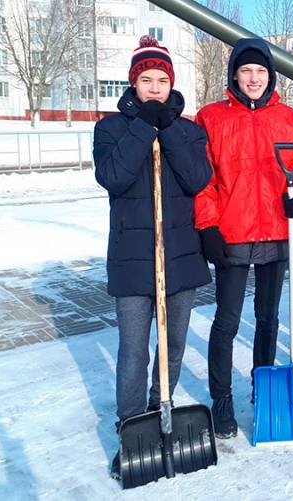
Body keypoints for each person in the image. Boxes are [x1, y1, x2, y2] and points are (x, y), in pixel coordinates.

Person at [93, 35, 212, 478]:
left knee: (174, 345)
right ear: (134, 83)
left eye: (162, 80)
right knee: (132, 350)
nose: (155, 88)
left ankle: (161, 405)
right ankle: (131, 427)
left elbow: (198, 178)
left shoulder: (188, 129)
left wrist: (167, 128)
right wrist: (144, 126)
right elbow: (114, 177)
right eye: (147, 80)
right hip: (131, 258)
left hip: (180, 256)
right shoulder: (110, 129)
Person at [194, 38, 293, 439]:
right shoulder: (211, 118)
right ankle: (221, 399)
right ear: (234, 76)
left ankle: (264, 386)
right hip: (233, 231)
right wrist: (208, 226)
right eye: (246, 71)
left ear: (271, 76)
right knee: (226, 321)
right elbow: (202, 180)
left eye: (261, 71)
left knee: (268, 319)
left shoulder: (289, 118)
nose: (254, 78)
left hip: (277, 231)